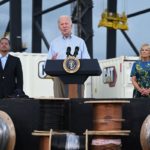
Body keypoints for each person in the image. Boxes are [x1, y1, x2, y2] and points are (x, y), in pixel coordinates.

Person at [47, 15, 90, 98]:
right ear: (59, 27)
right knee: (60, 103)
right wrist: (52, 61)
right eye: (62, 24)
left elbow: (86, 61)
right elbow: (48, 63)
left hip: (77, 77)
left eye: (66, 23)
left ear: (71, 25)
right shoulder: (54, 43)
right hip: (59, 77)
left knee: (77, 105)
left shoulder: (80, 42)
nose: (64, 26)